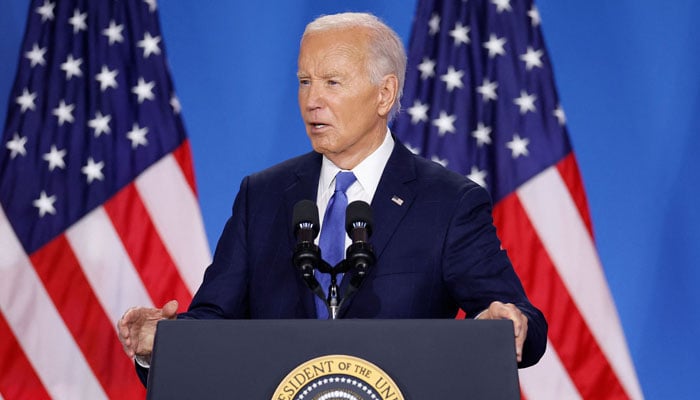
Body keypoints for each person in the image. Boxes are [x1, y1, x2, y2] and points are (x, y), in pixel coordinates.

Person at [118, 12, 547, 383]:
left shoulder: (448, 202)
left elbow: (520, 320)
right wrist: (162, 345)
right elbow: (213, 322)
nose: (311, 100)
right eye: (304, 81)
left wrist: (508, 326)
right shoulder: (262, 196)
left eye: (332, 82)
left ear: (385, 94)